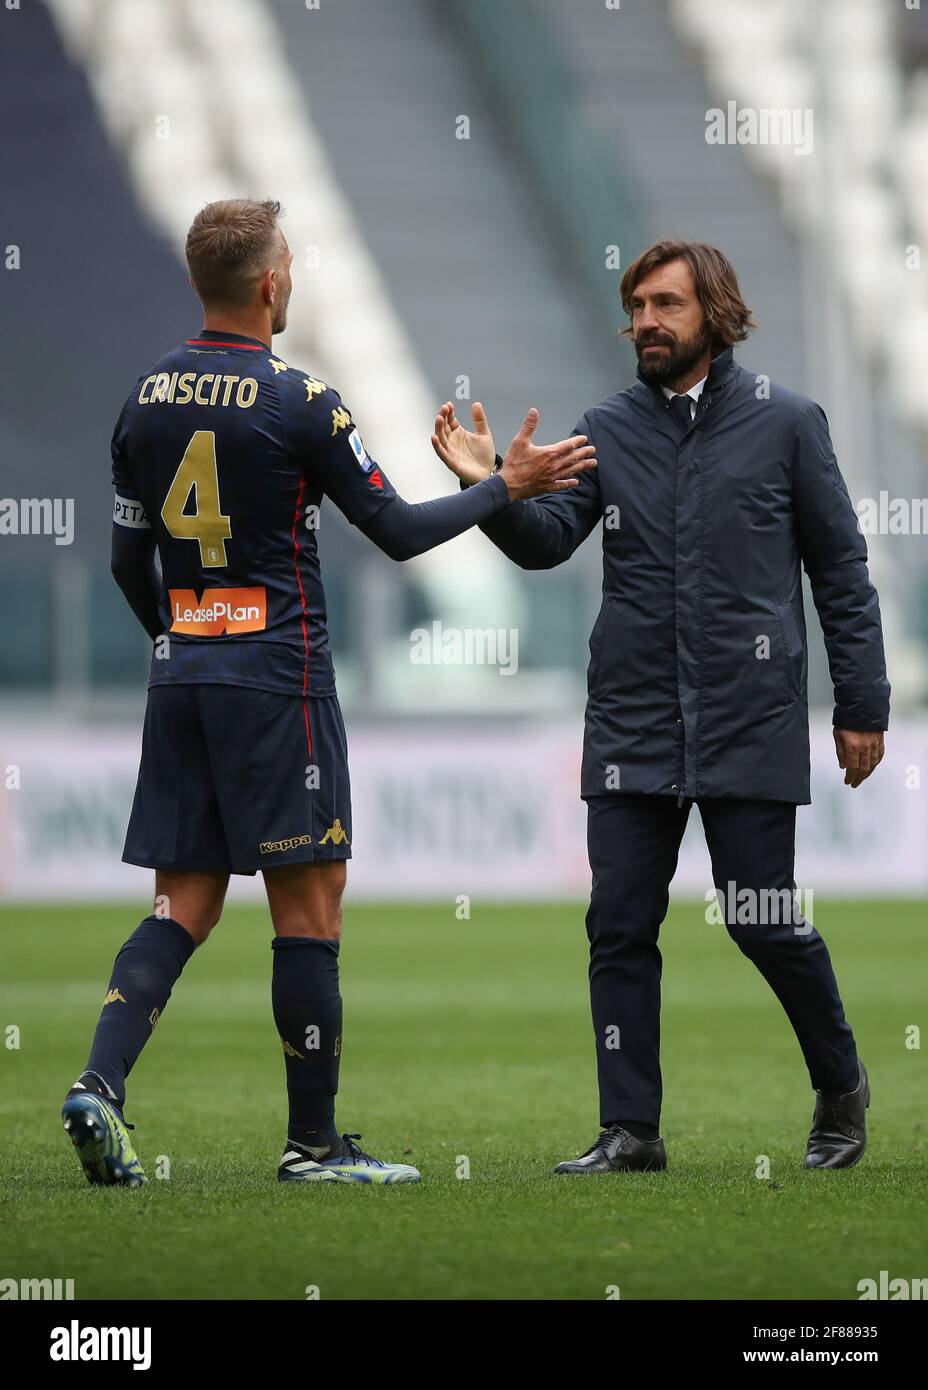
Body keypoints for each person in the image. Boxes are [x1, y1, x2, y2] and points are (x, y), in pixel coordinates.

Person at [62, 197, 595, 1188]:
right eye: (291, 265)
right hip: (279, 681)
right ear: (270, 282)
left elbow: (128, 563)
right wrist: (503, 491)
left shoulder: (143, 399)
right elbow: (392, 530)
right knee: (307, 908)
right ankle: (312, 1146)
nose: (293, 278)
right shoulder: (302, 400)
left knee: (181, 902)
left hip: (184, 677)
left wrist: (186, 645)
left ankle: (100, 1084)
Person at [432, 238, 889, 1174]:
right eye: (637, 305)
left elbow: (842, 570)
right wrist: (490, 487)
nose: (646, 321)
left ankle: (840, 1086)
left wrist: (862, 703)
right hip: (633, 724)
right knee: (619, 927)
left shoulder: (789, 423)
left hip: (748, 719)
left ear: (713, 314)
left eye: (666, 304)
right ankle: (630, 1130)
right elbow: (547, 543)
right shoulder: (607, 427)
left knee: (762, 917)